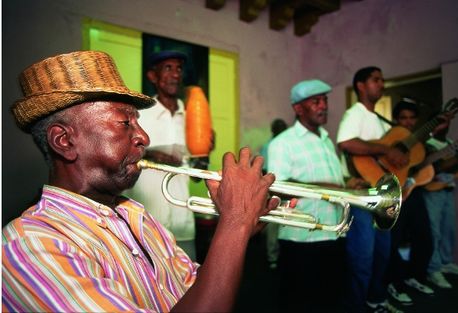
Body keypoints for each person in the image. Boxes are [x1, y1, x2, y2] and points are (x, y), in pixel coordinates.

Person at [2, 50, 279, 312]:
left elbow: (193, 290)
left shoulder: (136, 216)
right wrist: (235, 223)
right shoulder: (30, 244)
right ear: (64, 140)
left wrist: (238, 230)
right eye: (125, 123)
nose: (144, 137)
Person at [268, 79, 366, 312]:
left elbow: (338, 180)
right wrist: (329, 187)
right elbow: (279, 186)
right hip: (302, 240)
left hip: (333, 234)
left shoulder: (326, 140)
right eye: (316, 101)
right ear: (298, 109)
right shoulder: (282, 143)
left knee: (330, 299)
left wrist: (350, 183)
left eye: (325, 100)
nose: (323, 106)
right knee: (300, 302)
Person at [336, 66, 408, 313]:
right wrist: (386, 150)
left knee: (382, 254)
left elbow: (381, 159)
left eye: (382, 79)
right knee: (362, 257)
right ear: (361, 86)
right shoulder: (354, 114)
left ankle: (376, 299)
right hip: (362, 195)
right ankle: (356, 305)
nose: (382, 83)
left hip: (381, 196)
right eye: (376, 79)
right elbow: (347, 142)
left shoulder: (378, 119)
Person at [129, 50, 212, 260]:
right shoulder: (139, 114)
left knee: (187, 286)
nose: (175, 74)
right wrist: (149, 154)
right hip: (144, 222)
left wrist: (204, 154)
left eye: (179, 69)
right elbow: (121, 158)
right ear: (152, 76)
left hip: (182, 222)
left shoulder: (194, 118)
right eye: (168, 68)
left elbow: (196, 175)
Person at [386, 99, 435, 306]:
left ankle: (416, 276)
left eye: (411, 118)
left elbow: (421, 167)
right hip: (394, 192)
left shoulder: (421, 144)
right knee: (394, 241)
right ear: (396, 120)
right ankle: (394, 283)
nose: (407, 122)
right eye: (402, 118)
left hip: (413, 193)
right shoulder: (389, 139)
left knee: (424, 236)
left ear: (416, 121)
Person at [423, 121, 458, 289]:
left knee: (448, 229)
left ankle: (446, 262)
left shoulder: (450, 143)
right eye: (440, 123)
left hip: (448, 189)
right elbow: (439, 167)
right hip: (433, 191)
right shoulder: (428, 145)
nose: (443, 126)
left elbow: (455, 167)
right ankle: (434, 269)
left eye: (446, 123)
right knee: (434, 231)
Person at [259, 118, 287, 269]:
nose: (281, 131)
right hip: (273, 188)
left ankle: (284, 256)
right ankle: (272, 258)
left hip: (288, 188)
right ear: (273, 130)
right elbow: (263, 170)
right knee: (273, 225)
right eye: (278, 128)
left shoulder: (289, 144)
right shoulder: (268, 147)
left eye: (283, 128)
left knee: (288, 222)